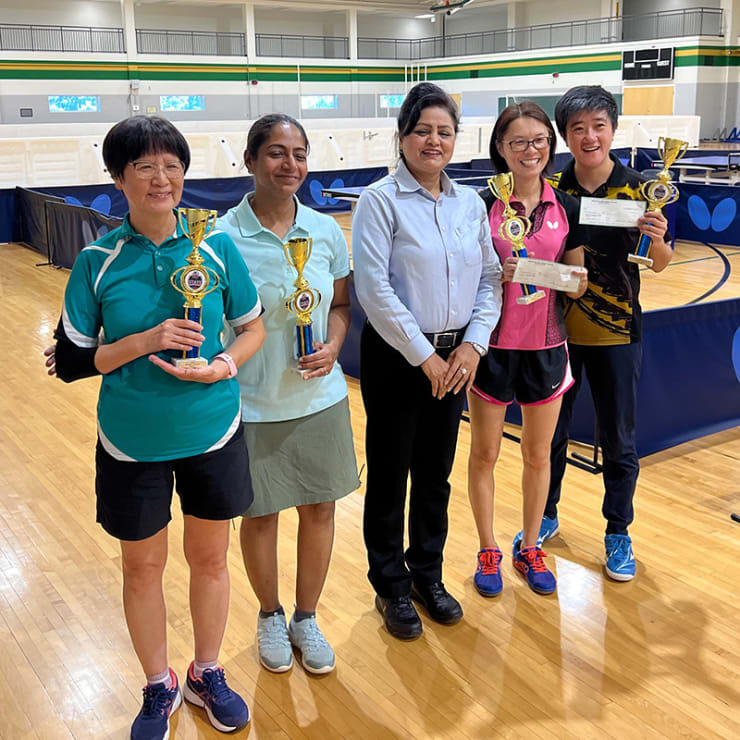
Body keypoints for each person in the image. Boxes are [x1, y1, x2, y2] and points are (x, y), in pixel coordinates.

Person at [51, 116, 265, 739]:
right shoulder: (96, 260)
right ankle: (157, 683)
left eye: (171, 164)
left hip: (214, 430)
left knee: (211, 560)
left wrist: (223, 365)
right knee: (141, 569)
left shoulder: (217, 246)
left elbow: (252, 327)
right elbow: (69, 361)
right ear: (118, 179)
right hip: (131, 440)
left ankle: (205, 671)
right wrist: (141, 341)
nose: (161, 177)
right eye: (143, 166)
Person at [352, 82, 502, 640]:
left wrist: (473, 343)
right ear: (403, 136)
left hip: (457, 355)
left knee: (435, 474)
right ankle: (390, 585)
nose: (433, 140)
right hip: (397, 359)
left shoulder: (471, 204)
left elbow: (489, 279)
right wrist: (423, 356)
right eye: (423, 130)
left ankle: (426, 574)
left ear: (457, 139)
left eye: (445, 131)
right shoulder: (379, 201)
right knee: (391, 474)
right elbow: (373, 288)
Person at [218, 114, 360, 674]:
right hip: (251, 404)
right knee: (261, 515)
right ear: (250, 160)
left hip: (319, 400)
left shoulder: (325, 232)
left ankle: (306, 616)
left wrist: (332, 346)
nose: (290, 164)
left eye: (299, 153)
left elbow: (343, 306)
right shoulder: (221, 236)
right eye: (276, 153)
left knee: (320, 509)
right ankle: (270, 615)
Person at [518, 85, 672, 581]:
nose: (589, 136)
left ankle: (618, 532)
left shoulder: (639, 188)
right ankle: (545, 514)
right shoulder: (553, 187)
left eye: (598, 126)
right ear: (564, 135)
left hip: (618, 334)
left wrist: (657, 238)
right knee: (552, 438)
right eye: (578, 128)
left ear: (613, 129)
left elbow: (663, 264)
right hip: (555, 332)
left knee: (619, 440)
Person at [468, 102, 589, 598]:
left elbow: (578, 283)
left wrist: (537, 273)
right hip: (491, 348)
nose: (530, 150)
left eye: (539, 140)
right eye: (518, 141)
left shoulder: (568, 207)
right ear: (500, 148)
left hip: (546, 347)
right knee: (485, 454)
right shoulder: (479, 204)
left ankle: (531, 546)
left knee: (539, 457)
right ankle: (487, 549)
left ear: (549, 145)